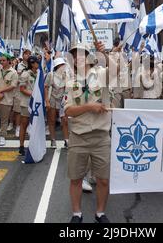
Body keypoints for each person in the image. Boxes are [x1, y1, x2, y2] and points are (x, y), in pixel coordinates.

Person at [64, 42, 112, 224]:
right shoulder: (71, 81)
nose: (77, 57)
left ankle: (100, 213)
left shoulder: (101, 74)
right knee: (75, 178)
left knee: (103, 179)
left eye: (82, 54)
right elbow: (68, 111)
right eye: (74, 55)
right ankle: (77, 214)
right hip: (79, 136)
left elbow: (119, 71)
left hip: (100, 137)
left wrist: (104, 53)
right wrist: (88, 107)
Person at [0, 53, 19, 146]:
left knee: (4, 119)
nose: (1, 62)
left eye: (4, 60)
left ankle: (2, 136)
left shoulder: (13, 73)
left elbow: (13, 85)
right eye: (0, 60)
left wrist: (0, 91)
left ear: (9, 61)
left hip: (7, 98)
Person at [45, 57, 69, 149]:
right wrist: (47, 101)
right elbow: (46, 87)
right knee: (52, 120)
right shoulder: (51, 75)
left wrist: (66, 100)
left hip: (63, 100)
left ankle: (66, 140)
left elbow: (68, 88)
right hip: (52, 99)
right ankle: (53, 140)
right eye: (61, 65)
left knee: (64, 121)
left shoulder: (66, 75)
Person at [18, 56, 39, 156]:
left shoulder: (39, 74)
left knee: (35, 125)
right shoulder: (25, 74)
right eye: (36, 62)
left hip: (36, 103)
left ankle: (33, 145)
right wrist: (33, 94)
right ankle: (21, 146)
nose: (38, 64)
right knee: (24, 124)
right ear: (32, 63)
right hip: (26, 102)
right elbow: (22, 89)